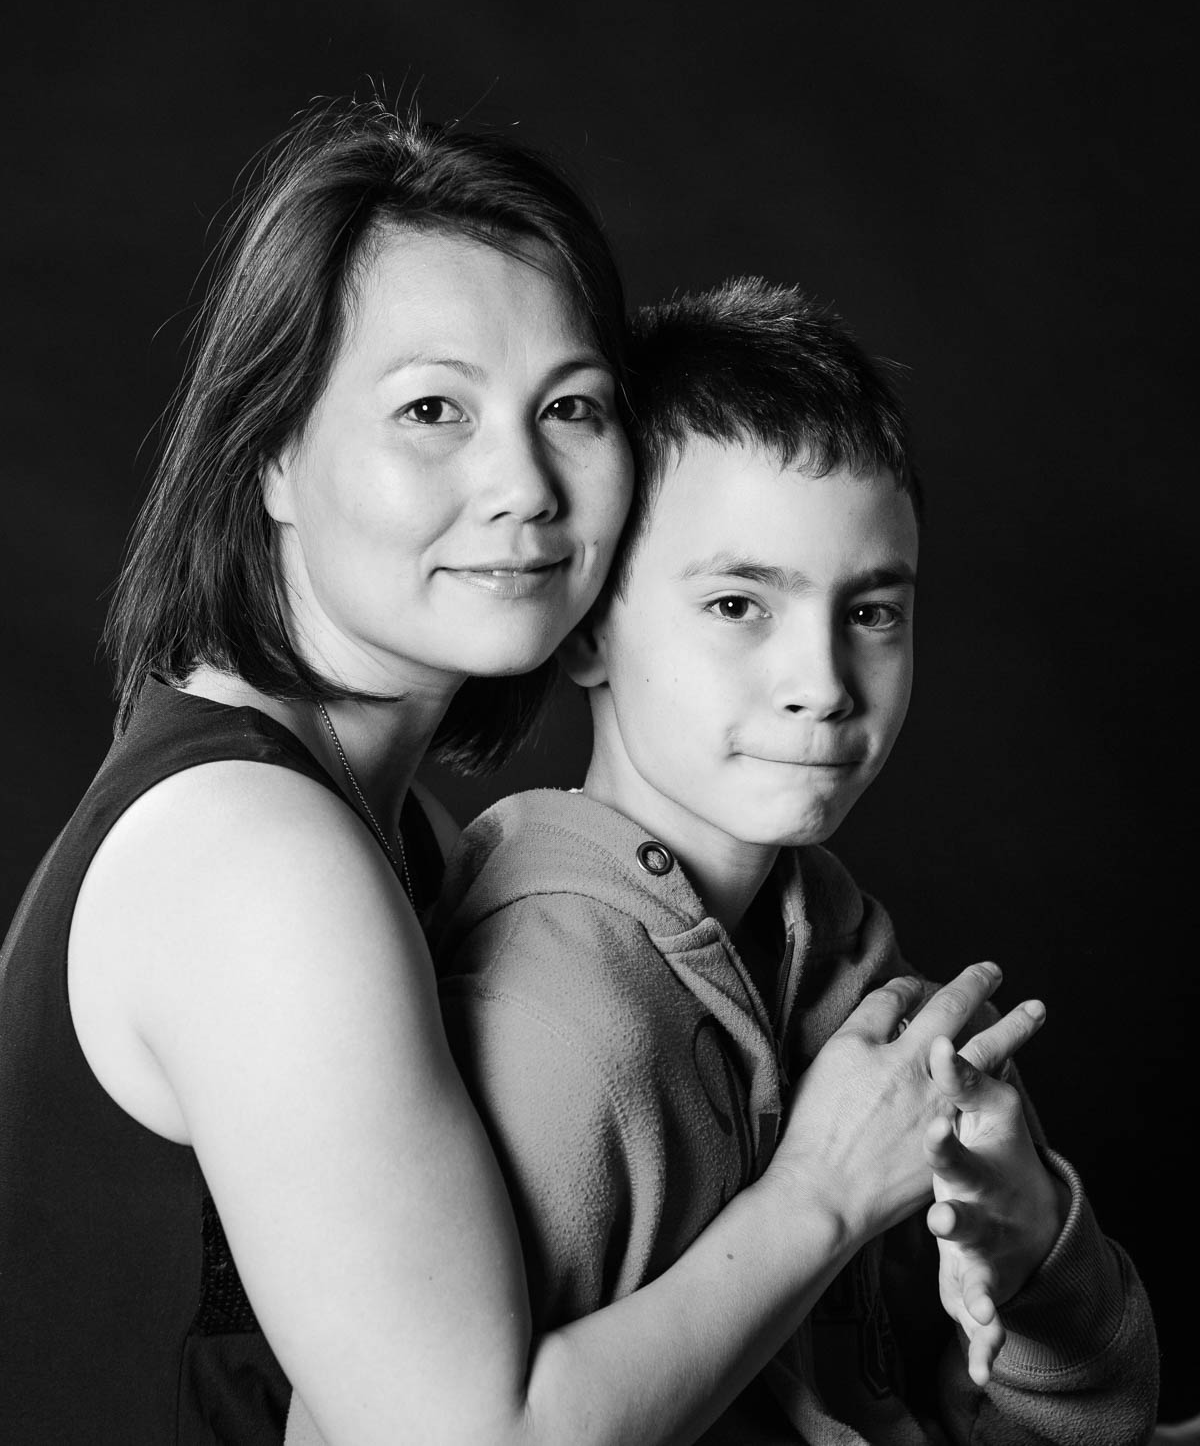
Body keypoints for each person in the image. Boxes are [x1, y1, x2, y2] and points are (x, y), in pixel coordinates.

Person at [0, 102, 1033, 1446]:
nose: (525, 483)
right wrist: (826, 1191)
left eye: (573, 408)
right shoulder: (251, 858)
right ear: (270, 458)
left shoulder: (401, 833)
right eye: (432, 409)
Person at [435, 279, 1160, 1444]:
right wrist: (815, 1200)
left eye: (872, 611)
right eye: (737, 602)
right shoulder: (557, 1024)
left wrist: (1036, 1259)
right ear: (584, 627)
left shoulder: (843, 960)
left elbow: (1084, 1420)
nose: (821, 681)